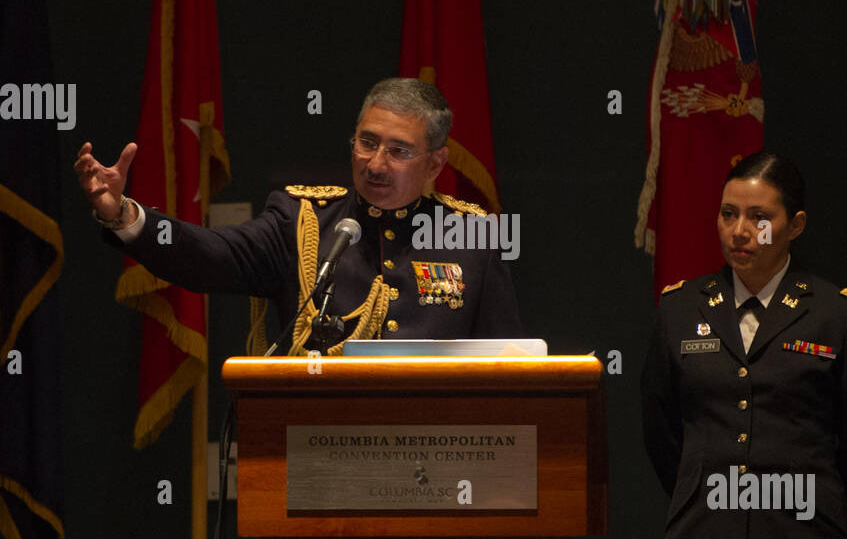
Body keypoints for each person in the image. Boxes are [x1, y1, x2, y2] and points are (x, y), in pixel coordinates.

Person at [640, 151, 847, 539]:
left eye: (760, 218)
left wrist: (817, 502)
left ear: (794, 225)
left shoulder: (837, 316)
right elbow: (662, 432)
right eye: (728, 214)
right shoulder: (680, 310)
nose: (740, 231)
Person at [74, 78, 522, 353]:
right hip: (320, 442)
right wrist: (127, 216)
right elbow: (210, 254)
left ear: (436, 164)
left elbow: (506, 362)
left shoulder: (472, 238)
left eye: (399, 151)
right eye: (367, 142)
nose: (375, 163)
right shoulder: (303, 221)